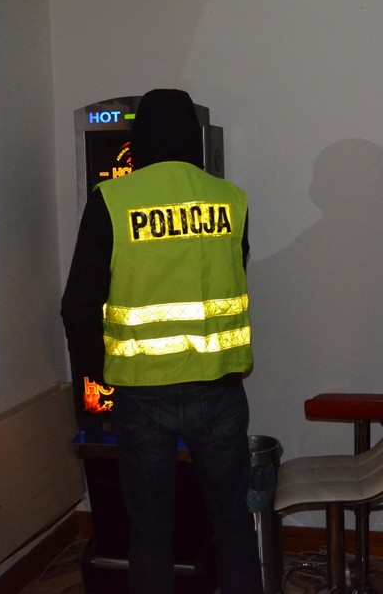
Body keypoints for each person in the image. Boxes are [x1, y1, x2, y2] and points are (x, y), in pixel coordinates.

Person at [61, 89, 263, 594]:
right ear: (194, 137)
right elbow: (233, 271)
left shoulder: (112, 200)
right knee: (232, 523)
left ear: (139, 138)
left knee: (150, 532)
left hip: (142, 394)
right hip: (218, 390)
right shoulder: (230, 199)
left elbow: (77, 306)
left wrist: (101, 375)